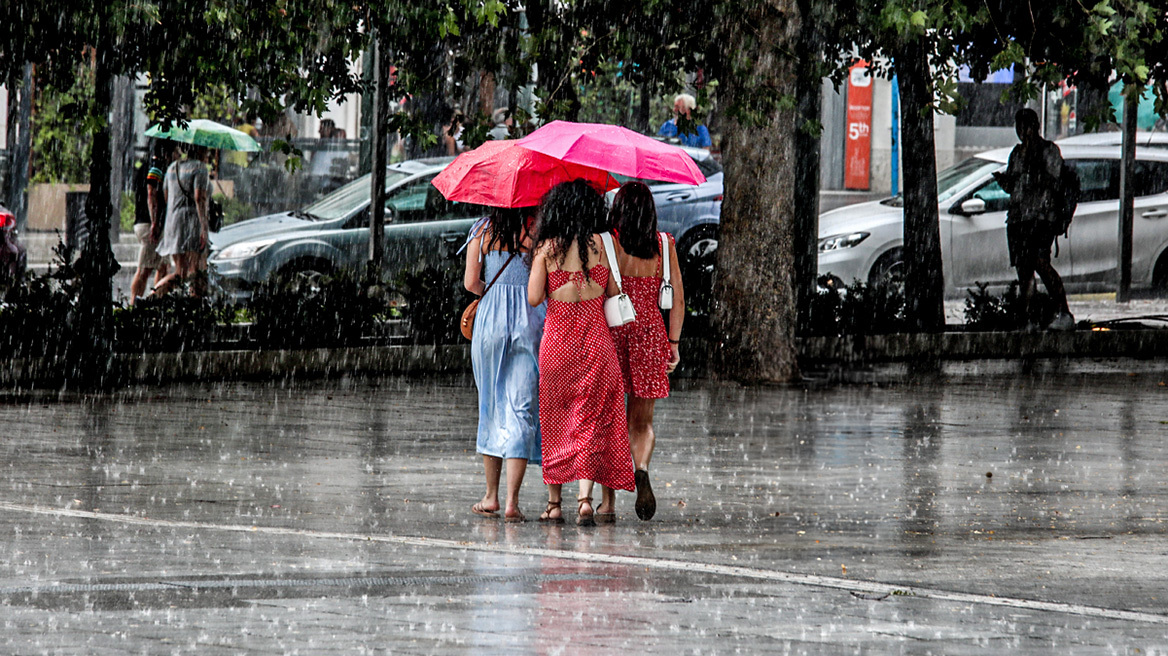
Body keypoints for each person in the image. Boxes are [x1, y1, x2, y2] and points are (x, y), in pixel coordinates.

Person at [527, 180, 635, 526]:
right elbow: (614, 291)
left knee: (556, 418)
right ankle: (585, 500)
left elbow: (532, 297)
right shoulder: (604, 245)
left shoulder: (547, 247)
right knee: (591, 418)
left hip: (558, 344)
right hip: (596, 344)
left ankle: (554, 503)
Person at [597, 182, 684, 522]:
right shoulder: (664, 245)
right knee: (642, 422)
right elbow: (677, 297)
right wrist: (673, 343)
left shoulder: (609, 243)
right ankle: (642, 467)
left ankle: (607, 503)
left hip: (614, 333)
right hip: (650, 335)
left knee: (609, 419)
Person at [463, 207, 546, 523]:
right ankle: (513, 500)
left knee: (491, 405)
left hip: (490, 322)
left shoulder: (482, 230)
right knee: (521, 409)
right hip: (530, 320)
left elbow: (471, 281)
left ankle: (491, 496)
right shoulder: (536, 231)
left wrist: (494, 293)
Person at [992, 108, 1074, 331]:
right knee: (1024, 270)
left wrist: (1033, 165)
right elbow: (1013, 186)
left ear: (1035, 126)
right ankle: (1028, 319)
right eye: (1019, 128)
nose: (1022, 133)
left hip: (1041, 217)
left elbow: (1054, 181)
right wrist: (1005, 181)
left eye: (1026, 127)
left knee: (1041, 264)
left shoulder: (1048, 150)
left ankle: (1064, 312)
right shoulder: (1016, 153)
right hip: (1018, 219)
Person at [153, 145, 211, 297]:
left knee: (181, 272)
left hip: (173, 223)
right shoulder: (200, 168)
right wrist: (204, 228)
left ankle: (150, 299)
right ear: (201, 151)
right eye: (207, 151)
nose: (208, 155)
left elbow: (166, 197)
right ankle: (195, 310)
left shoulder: (173, 167)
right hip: (191, 224)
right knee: (197, 273)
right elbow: (200, 198)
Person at [129, 140, 174, 303]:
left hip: (149, 223)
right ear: (166, 152)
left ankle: (155, 302)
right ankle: (135, 304)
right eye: (175, 151)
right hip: (149, 224)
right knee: (145, 269)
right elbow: (151, 193)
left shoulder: (146, 166)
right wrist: (155, 222)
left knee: (163, 267)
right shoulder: (156, 167)